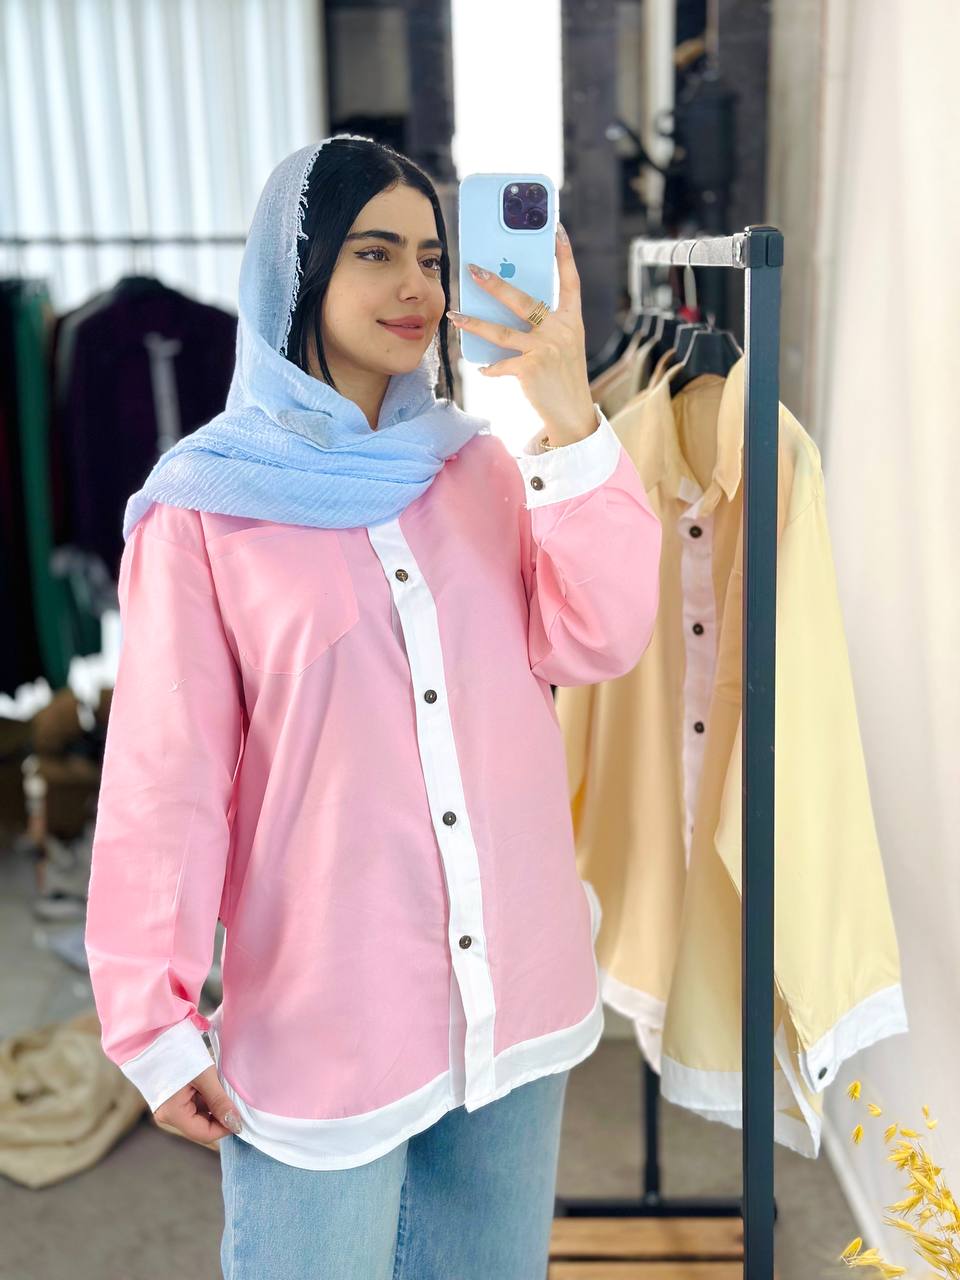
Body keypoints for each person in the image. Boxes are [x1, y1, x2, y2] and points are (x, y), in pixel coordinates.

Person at [84, 134, 663, 1279]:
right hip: (327, 1022)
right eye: (375, 252)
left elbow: (597, 638)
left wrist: (568, 414)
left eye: (433, 258)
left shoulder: (479, 470)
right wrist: (152, 1018)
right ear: (296, 273)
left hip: (515, 990)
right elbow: (167, 782)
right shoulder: (200, 511)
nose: (418, 288)